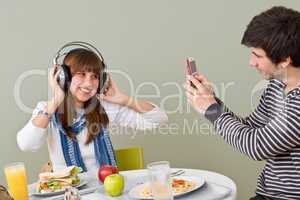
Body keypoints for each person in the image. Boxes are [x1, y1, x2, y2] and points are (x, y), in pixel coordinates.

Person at [183, 6, 300, 200]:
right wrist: (212, 101)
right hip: (268, 195)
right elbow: (250, 127)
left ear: (284, 61)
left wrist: (211, 110)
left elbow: (256, 146)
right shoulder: (277, 86)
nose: (251, 63)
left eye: (257, 56)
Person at [17, 46, 168, 174]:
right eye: (81, 74)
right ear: (63, 77)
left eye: (94, 76)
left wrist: (124, 99)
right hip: (69, 192)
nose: (88, 83)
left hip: (105, 189)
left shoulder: (106, 108)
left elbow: (159, 120)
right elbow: (26, 144)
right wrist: (56, 100)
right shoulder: (46, 110)